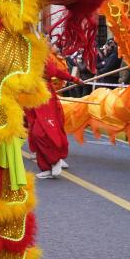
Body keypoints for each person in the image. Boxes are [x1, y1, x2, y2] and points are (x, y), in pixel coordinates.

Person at [27, 46, 81, 179]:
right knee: (34, 132)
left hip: (44, 98)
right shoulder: (20, 55)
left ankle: (55, 159)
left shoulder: (41, 55)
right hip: (29, 98)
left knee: (43, 131)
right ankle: (46, 167)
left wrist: (74, 79)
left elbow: (53, 71)